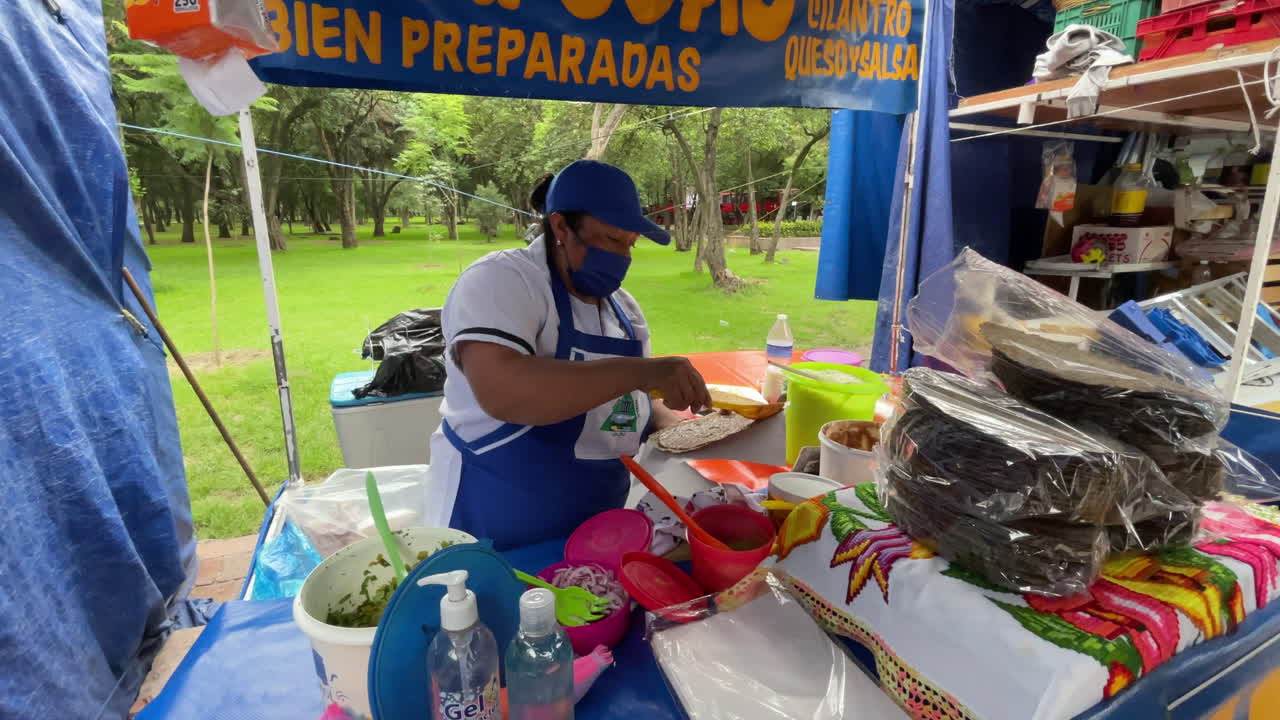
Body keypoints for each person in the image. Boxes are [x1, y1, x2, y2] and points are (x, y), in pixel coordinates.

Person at [424, 160, 711, 549]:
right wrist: (642, 372)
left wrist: (684, 423)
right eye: (610, 240)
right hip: (491, 523)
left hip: (595, 530)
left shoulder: (624, 313)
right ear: (560, 227)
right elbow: (504, 392)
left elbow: (625, 406)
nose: (623, 257)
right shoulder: (502, 280)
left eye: (630, 244)